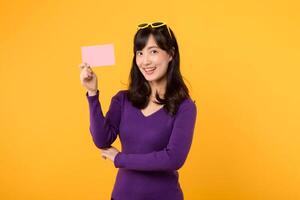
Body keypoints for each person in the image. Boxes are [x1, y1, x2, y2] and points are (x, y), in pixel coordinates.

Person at [79, 22, 197, 200]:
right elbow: (101, 139)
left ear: (171, 54)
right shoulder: (123, 99)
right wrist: (92, 93)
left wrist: (121, 159)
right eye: (140, 53)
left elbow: (173, 159)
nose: (145, 60)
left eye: (153, 51)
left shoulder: (185, 107)